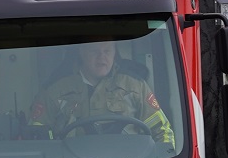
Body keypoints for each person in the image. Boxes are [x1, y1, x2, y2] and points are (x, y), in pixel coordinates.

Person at [30, 39, 175, 144]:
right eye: (95, 51)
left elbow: (162, 132)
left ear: (114, 53)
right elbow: (36, 136)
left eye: (107, 51)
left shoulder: (135, 86)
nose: (102, 57)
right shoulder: (55, 90)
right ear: (81, 52)